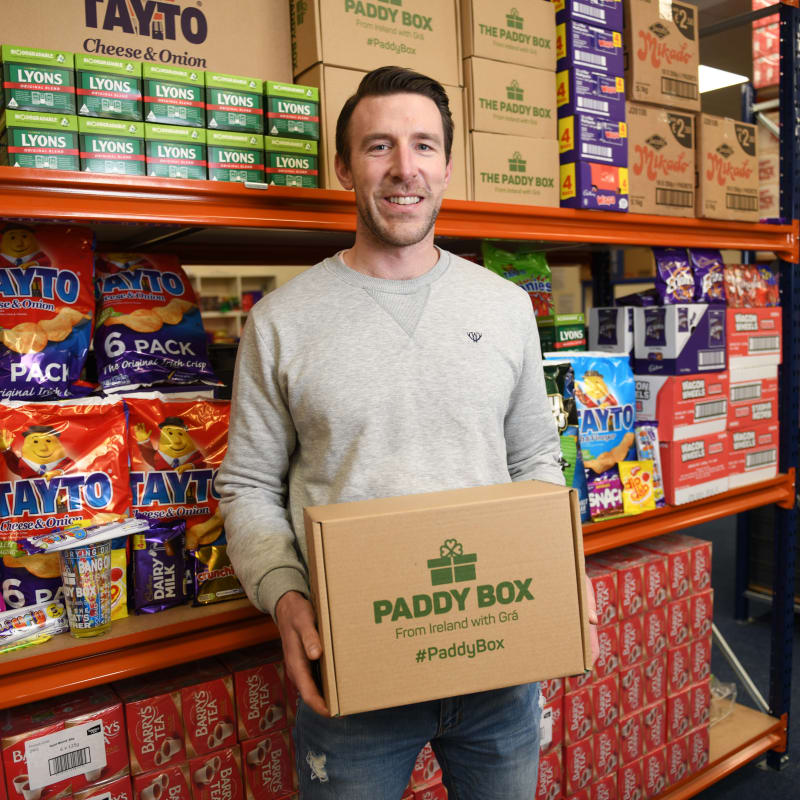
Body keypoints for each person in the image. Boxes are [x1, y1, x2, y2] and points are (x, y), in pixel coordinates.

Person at [218, 65, 598, 800]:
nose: (404, 169)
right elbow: (247, 485)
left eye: (423, 146)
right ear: (343, 167)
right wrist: (287, 598)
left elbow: (535, 458)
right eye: (379, 147)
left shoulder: (507, 305)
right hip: (355, 667)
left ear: (447, 166)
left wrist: (560, 561)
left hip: (500, 658)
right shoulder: (281, 322)